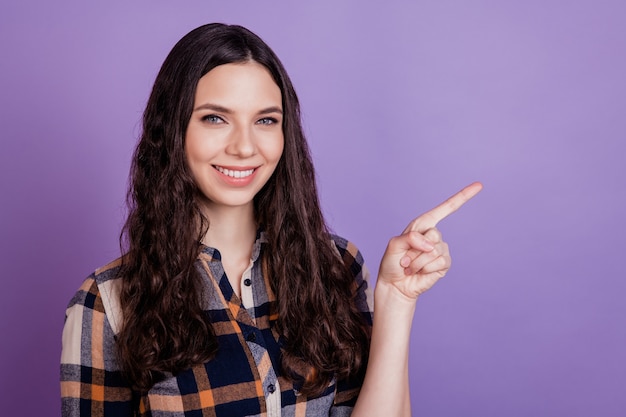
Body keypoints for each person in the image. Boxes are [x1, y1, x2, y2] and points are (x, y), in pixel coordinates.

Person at [60, 23, 482, 417]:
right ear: (172, 130)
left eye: (265, 120)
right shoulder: (109, 302)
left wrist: (396, 300)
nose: (245, 146)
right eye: (215, 118)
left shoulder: (335, 267)